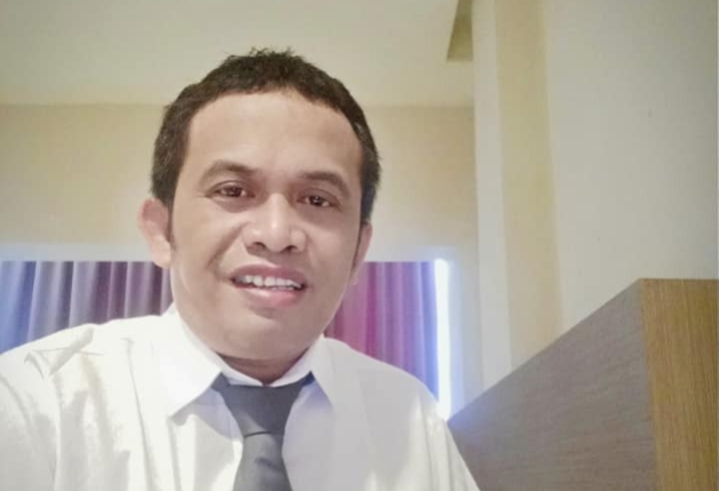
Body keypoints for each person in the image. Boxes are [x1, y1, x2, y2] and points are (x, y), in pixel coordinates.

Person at [0, 49, 478, 491]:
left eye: (317, 199)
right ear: (161, 230)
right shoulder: (36, 402)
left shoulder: (409, 419)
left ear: (358, 252)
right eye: (232, 191)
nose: (276, 233)